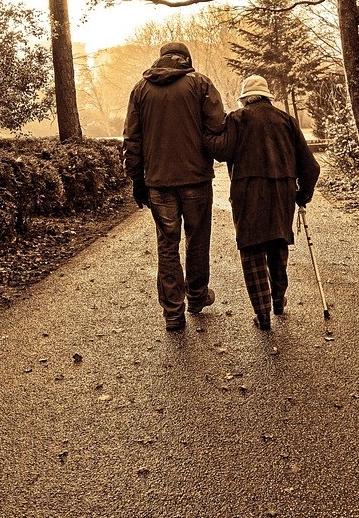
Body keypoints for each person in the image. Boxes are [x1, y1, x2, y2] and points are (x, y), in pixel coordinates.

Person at [123, 42, 226, 332]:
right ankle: (196, 296)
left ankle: (172, 313)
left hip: (159, 183)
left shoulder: (140, 90)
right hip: (196, 179)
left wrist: (137, 180)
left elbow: (132, 139)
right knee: (197, 239)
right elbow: (217, 126)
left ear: (161, 59)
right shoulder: (200, 84)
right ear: (186, 59)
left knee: (167, 245)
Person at [205, 75, 320, 330]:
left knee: (252, 249)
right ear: (268, 96)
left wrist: (204, 128)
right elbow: (311, 167)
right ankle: (278, 300)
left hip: (248, 191)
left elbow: (221, 151)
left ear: (245, 98)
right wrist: (302, 195)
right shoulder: (286, 120)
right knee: (278, 243)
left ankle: (263, 314)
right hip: (282, 191)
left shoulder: (237, 118)